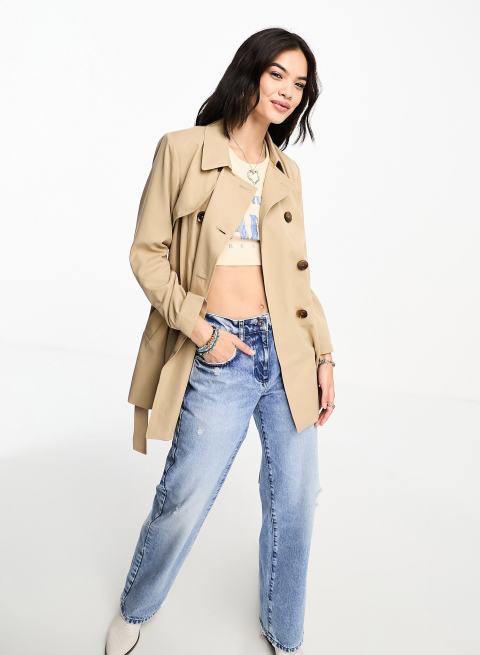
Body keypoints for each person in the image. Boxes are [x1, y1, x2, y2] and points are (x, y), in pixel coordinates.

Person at [105, 27, 335, 655]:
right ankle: (137, 607)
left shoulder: (287, 172)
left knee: (297, 500)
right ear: (250, 71)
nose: (287, 91)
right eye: (277, 74)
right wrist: (203, 331)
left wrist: (323, 354)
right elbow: (146, 254)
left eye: (299, 84)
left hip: (286, 351)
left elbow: (297, 277)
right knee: (185, 494)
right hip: (220, 351)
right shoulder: (182, 150)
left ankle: (284, 632)